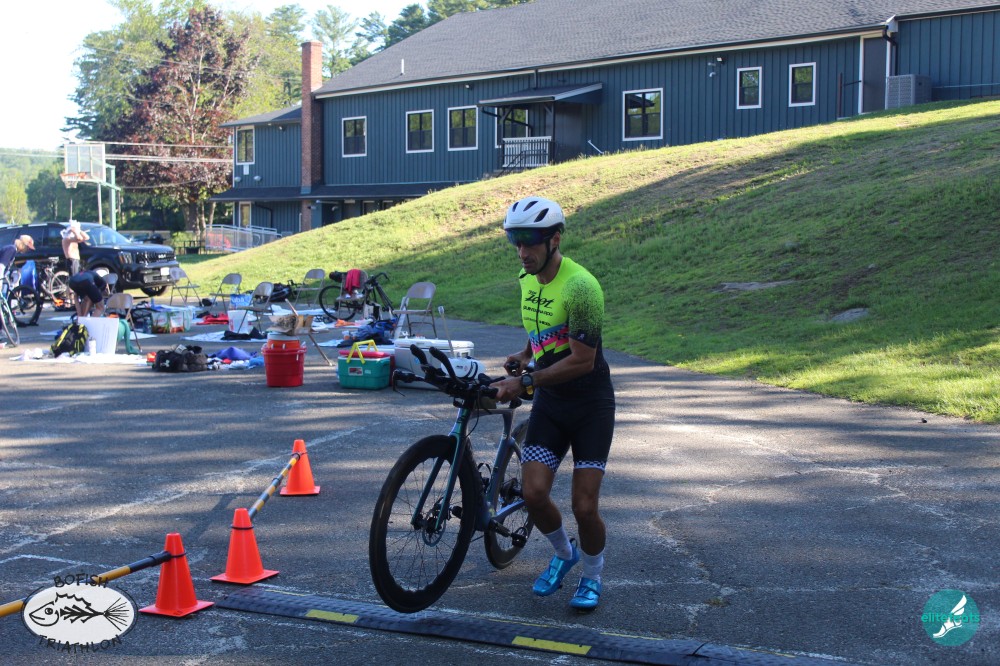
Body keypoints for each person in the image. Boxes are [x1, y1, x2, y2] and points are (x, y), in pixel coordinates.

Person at [492, 196, 615, 611]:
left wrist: (524, 380)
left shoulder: (583, 288)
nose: (522, 252)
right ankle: (565, 554)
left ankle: (592, 575)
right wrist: (526, 354)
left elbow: (583, 360)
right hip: (552, 401)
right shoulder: (527, 278)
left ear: (555, 240)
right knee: (533, 494)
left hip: (590, 406)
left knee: (585, 506)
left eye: (530, 242)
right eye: (515, 241)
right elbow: (542, 325)